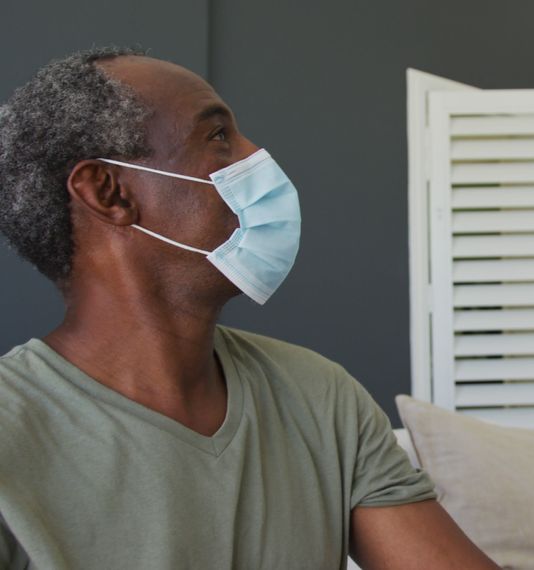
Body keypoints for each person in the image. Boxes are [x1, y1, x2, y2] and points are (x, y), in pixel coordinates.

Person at [0, 47, 497, 569]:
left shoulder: (319, 398)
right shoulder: (14, 432)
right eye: (217, 137)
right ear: (109, 192)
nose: (257, 155)